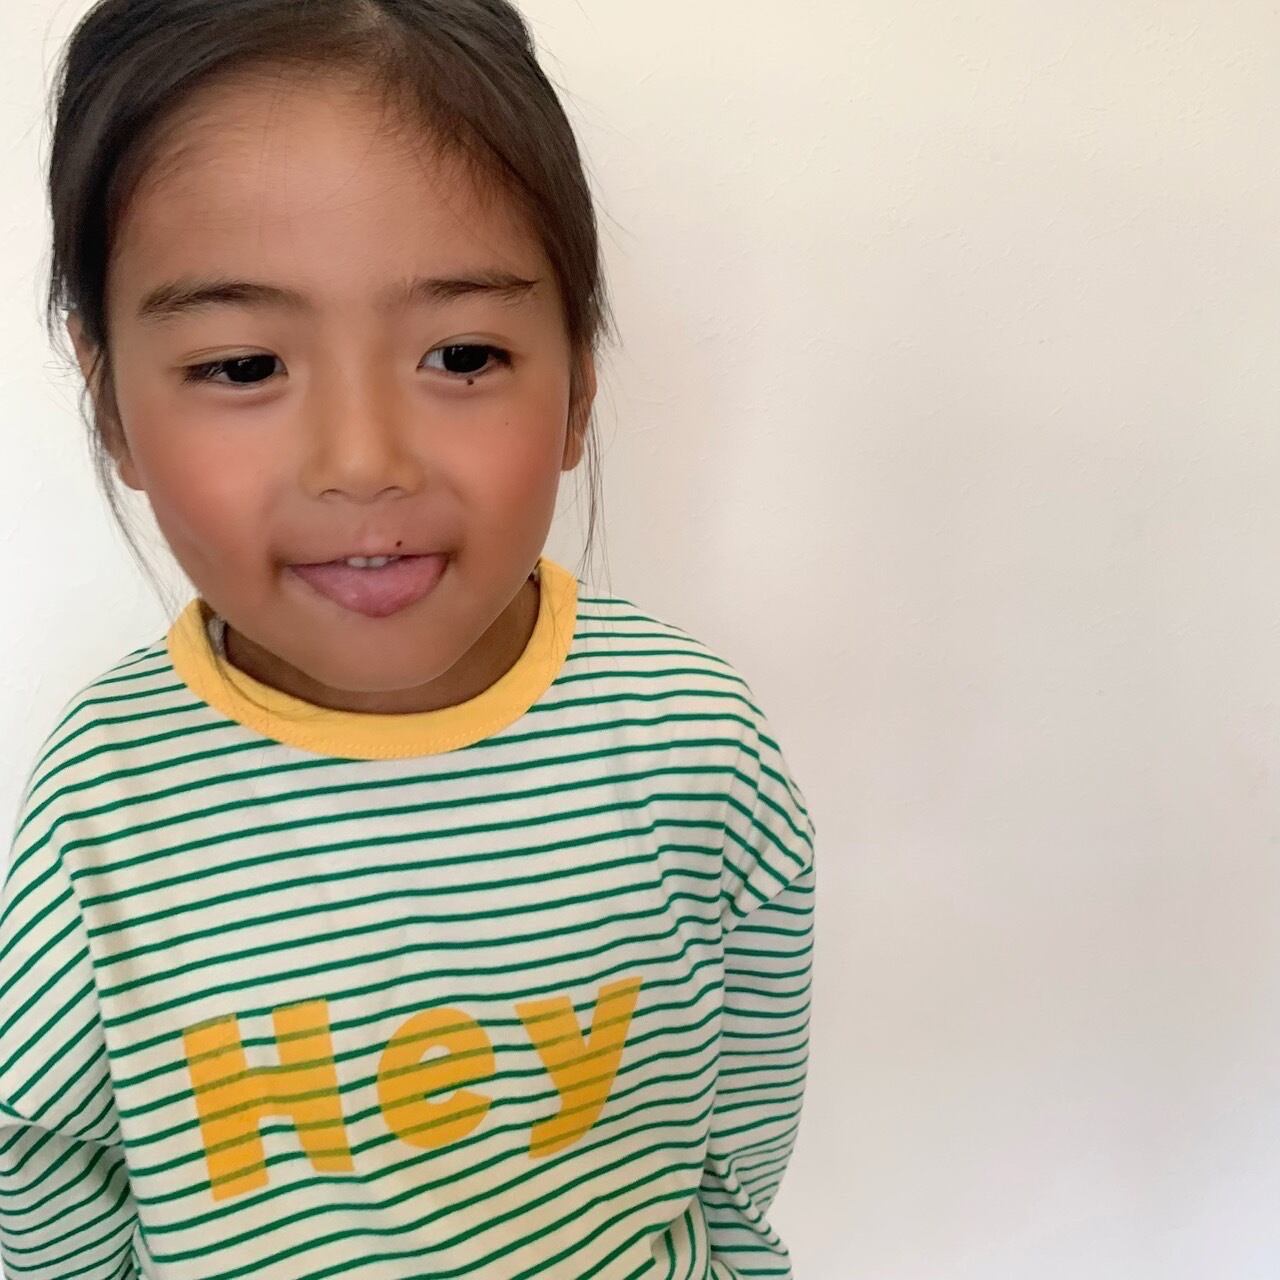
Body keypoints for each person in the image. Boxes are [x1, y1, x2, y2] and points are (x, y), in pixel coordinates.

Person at [0, 2, 818, 1276]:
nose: (363, 459)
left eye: (462, 352)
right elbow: (44, 1176)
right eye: (242, 366)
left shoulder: (691, 735)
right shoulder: (106, 798)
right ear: (111, 408)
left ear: (577, 387)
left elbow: (735, 1134)